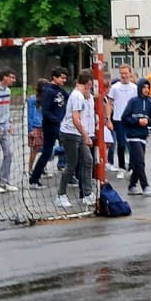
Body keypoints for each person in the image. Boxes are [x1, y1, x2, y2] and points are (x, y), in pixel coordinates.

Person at [55, 70, 95, 209]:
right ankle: (61, 195)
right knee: (71, 164)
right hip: (70, 133)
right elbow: (75, 119)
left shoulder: (85, 97)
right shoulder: (77, 96)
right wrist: (86, 136)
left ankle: (87, 194)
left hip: (78, 133)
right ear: (87, 84)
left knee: (88, 160)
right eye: (90, 86)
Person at [29, 68, 68, 189]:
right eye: (62, 77)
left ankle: (70, 174)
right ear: (54, 78)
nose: (64, 80)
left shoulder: (61, 91)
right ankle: (34, 179)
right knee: (47, 152)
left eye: (65, 78)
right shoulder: (49, 91)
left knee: (71, 148)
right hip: (51, 126)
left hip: (61, 125)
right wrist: (57, 121)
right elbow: (45, 112)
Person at [121, 76, 151, 196]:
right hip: (133, 136)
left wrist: (148, 121)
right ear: (139, 88)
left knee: (137, 162)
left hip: (143, 136)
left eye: (148, 87)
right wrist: (137, 121)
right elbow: (125, 117)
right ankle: (145, 186)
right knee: (141, 161)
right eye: (144, 87)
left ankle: (132, 185)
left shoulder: (149, 103)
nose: (146, 90)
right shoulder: (133, 101)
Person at [106, 65, 137, 177]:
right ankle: (122, 167)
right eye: (121, 73)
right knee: (121, 144)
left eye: (126, 73)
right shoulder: (115, 87)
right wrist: (108, 119)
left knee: (132, 144)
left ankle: (133, 167)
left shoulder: (134, 88)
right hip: (118, 119)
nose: (124, 75)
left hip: (131, 120)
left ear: (130, 73)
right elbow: (109, 103)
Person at [26, 80, 45, 175]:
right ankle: (30, 168)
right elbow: (29, 115)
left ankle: (42, 167)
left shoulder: (46, 99)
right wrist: (30, 129)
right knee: (35, 149)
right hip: (35, 126)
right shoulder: (32, 99)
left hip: (44, 125)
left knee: (45, 148)